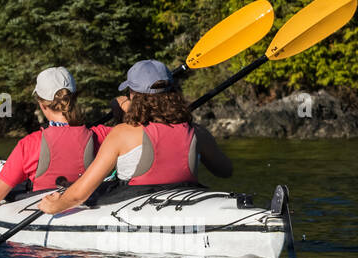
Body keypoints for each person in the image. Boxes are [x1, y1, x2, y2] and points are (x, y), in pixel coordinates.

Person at [36, 59, 232, 216]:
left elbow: (79, 194)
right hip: (184, 202)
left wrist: (56, 205)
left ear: (133, 94)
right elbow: (225, 171)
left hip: (133, 208)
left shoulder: (121, 134)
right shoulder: (197, 132)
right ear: (172, 93)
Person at [0, 67, 111, 204]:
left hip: (44, 208)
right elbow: (128, 132)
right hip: (86, 204)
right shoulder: (101, 135)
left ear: (42, 104)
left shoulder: (29, 144)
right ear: (74, 99)